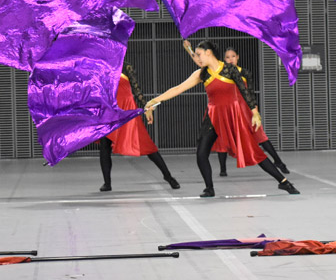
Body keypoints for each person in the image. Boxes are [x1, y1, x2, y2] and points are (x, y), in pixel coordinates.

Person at [145, 41, 298, 197]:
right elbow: (177, 89)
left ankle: (284, 182)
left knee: (254, 152)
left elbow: (246, 93)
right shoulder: (202, 74)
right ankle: (209, 188)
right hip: (212, 117)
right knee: (201, 153)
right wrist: (153, 101)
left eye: (199, 54)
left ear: (209, 53)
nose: (197, 59)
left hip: (232, 116)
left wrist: (255, 112)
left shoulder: (230, 69)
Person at [182, 41, 289, 175]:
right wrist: (190, 50)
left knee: (260, 137)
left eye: (233, 56)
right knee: (221, 140)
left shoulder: (243, 72)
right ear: (224, 59)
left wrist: (255, 111)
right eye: (227, 57)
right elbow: (201, 62)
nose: (230, 59)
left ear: (237, 57)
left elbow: (248, 92)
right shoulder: (220, 69)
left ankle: (278, 161)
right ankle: (223, 169)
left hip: (245, 109)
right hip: (229, 109)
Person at [97, 64, 180, 193]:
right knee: (104, 145)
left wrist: (146, 107)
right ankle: (107, 183)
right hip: (110, 110)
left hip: (127, 109)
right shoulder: (100, 68)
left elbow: (136, 90)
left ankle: (167, 176)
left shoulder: (126, 66)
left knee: (146, 144)